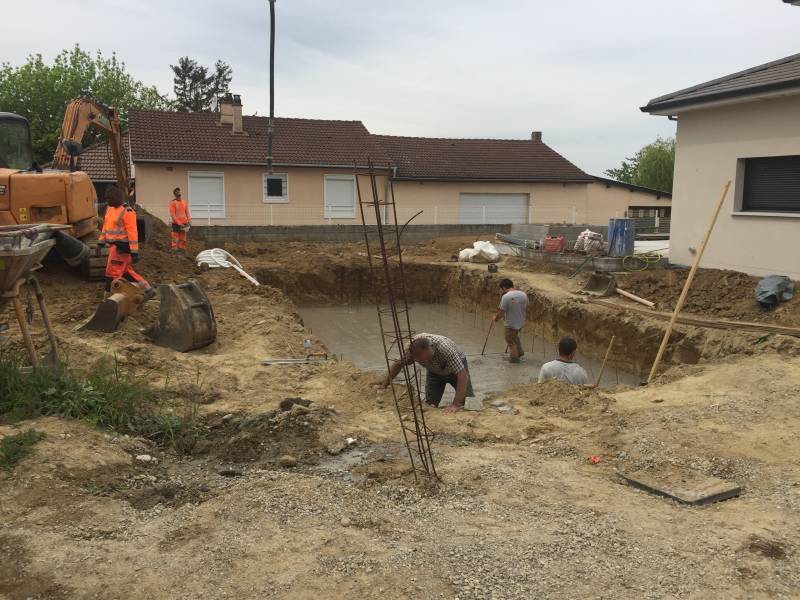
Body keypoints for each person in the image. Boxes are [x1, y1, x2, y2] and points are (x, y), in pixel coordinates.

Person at [378, 333, 474, 413]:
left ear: (430, 348)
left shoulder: (444, 348)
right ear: (414, 356)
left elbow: (462, 376)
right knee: (430, 404)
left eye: (428, 358)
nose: (425, 361)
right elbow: (398, 364)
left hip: (456, 369)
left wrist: (455, 404)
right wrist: (384, 385)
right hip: (434, 372)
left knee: (466, 401)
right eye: (422, 360)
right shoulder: (410, 350)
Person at [98, 185, 154, 299]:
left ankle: (109, 299)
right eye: (106, 198)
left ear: (118, 197)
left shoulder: (127, 212)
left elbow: (133, 234)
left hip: (122, 249)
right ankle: (147, 289)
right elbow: (106, 227)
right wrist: (100, 243)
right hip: (114, 247)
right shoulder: (110, 209)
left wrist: (134, 253)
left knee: (112, 274)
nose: (107, 201)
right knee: (126, 272)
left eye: (109, 198)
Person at [494, 278, 528, 363]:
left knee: (510, 341)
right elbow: (526, 307)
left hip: (510, 324)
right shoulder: (523, 294)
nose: (503, 291)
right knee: (514, 337)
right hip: (520, 322)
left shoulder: (506, 297)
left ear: (504, 288)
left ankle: (514, 360)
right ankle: (519, 352)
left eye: (502, 289)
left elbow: (501, 313)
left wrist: (495, 318)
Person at [169, 187, 191, 252]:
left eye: (179, 191)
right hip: (176, 224)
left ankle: (182, 249)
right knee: (175, 237)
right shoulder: (173, 203)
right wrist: (179, 223)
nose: (178, 192)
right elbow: (173, 215)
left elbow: (187, 212)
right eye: (177, 191)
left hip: (184, 224)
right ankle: (174, 249)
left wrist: (189, 220)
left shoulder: (184, 202)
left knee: (183, 238)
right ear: (175, 194)